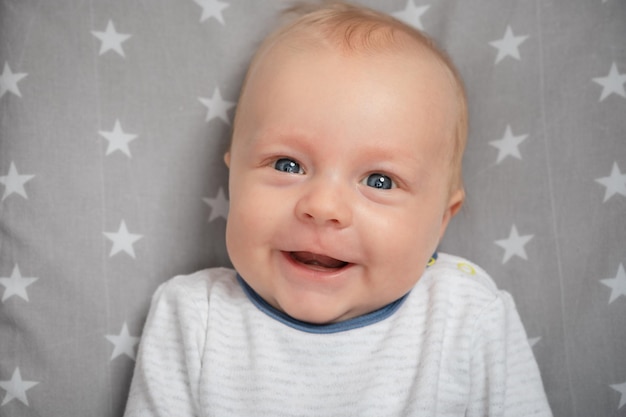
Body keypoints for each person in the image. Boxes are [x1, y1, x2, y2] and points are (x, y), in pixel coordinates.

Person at [124, 2, 552, 416]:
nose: (323, 207)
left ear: (442, 218)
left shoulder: (468, 319)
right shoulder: (194, 318)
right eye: (287, 165)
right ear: (233, 177)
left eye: (379, 181)